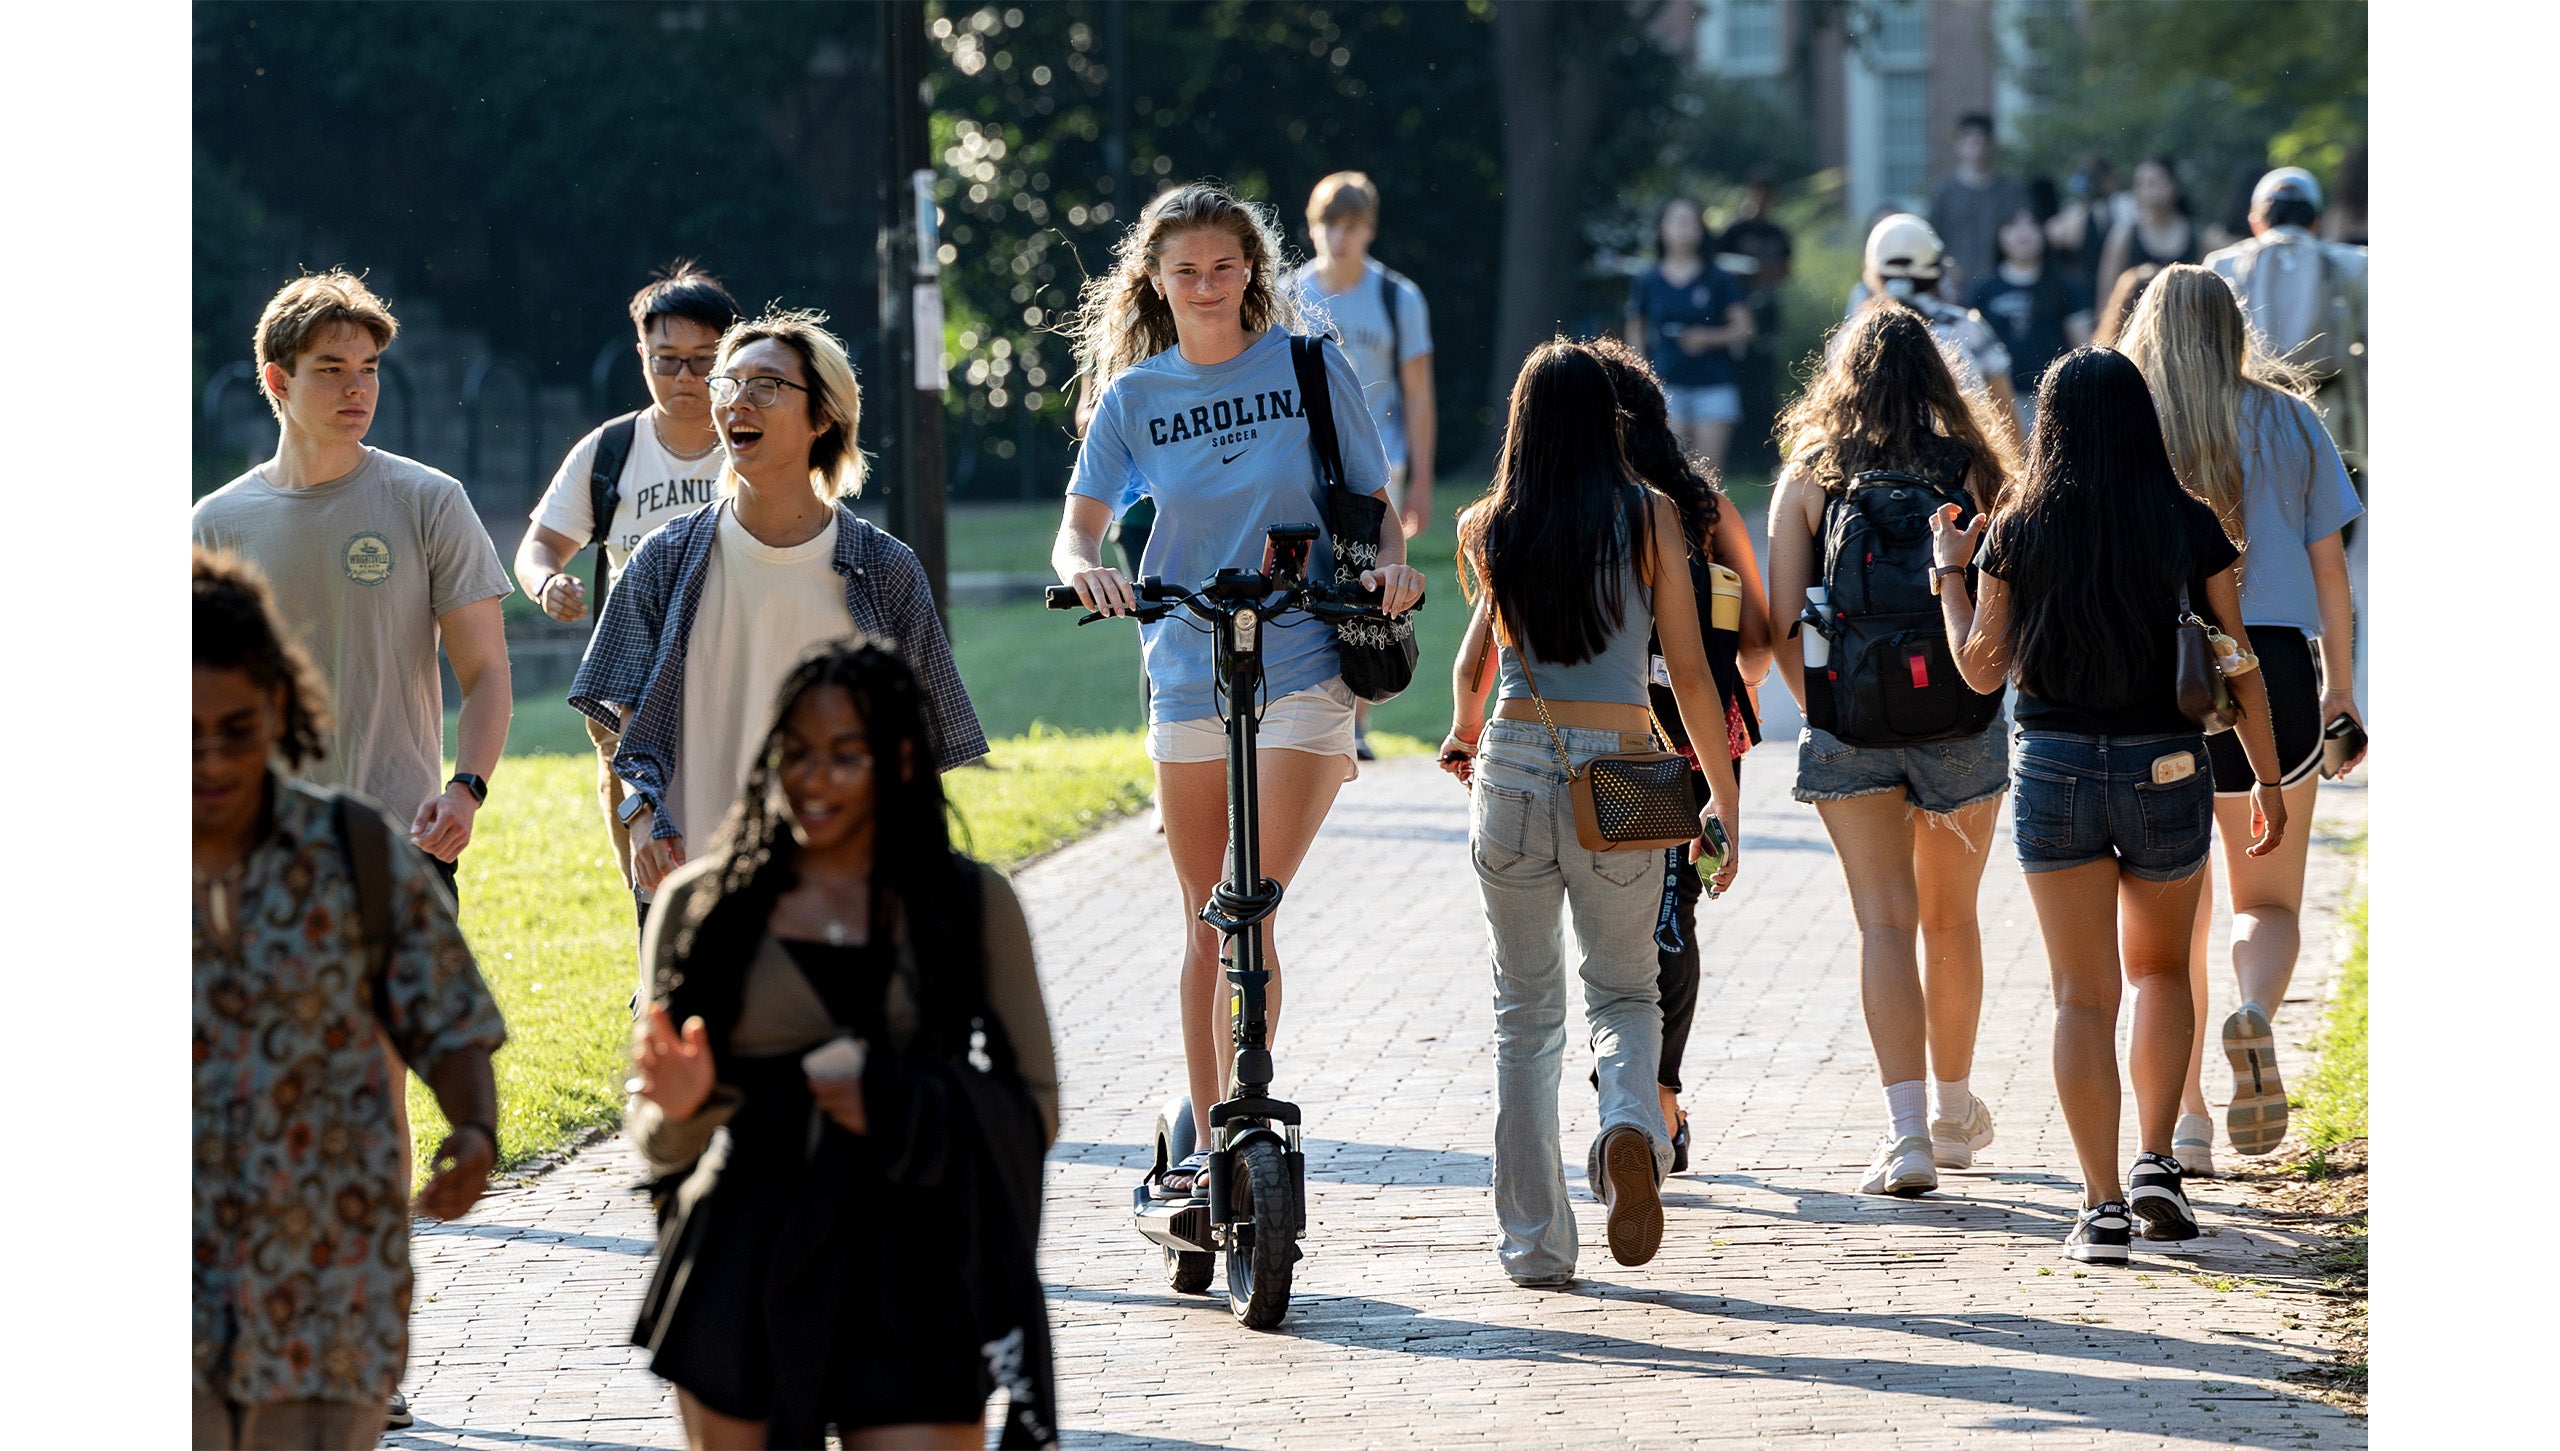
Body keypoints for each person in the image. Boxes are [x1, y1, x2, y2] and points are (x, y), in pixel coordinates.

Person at [1053, 180, 1425, 1194]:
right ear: (1156, 281)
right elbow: (1079, 521)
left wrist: (1392, 570)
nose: (1208, 285)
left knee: (1246, 904)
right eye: (1186, 271)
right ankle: (1211, 1122)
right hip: (1183, 657)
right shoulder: (1135, 397)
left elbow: (1374, 506)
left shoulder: (1308, 365)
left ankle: (1236, 1106)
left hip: (1304, 650)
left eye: (1224, 266)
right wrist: (1087, 564)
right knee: (1204, 913)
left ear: (1252, 269)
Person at [626, 641, 1059, 1451]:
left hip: (915, 1250)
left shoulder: (970, 902)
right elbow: (652, 1138)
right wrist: (687, 1105)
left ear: (900, 760)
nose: (812, 778)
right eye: (797, 753)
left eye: (844, 756)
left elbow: (1035, 1108)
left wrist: (898, 1101)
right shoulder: (702, 903)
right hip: (742, 1245)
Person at [1931, 346, 2291, 1264]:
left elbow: (1978, 670)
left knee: (2080, 994)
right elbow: (2236, 657)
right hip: (2167, 766)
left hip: (2052, 767)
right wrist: (2266, 777)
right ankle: (2157, 1165)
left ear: (2049, 425)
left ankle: (2098, 1210)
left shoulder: (2020, 523)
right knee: (2162, 972)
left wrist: (1951, 574)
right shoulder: (2185, 519)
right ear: (2142, 420)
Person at [1441, 340, 1742, 1283]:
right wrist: (1718, 803)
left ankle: (1534, 1242)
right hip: (1620, 768)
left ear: (1520, 425)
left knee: (1523, 1012)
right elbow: (1689, 674)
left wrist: (1460, 734)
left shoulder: (1490, 525)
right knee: (1625, 989)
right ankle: (1627, 1129)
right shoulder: (1652, 515)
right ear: (1608, 424)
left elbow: (1470, 669)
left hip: (1515, 763)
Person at [194, 547, 506, 1450]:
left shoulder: (350, 851)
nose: (210, 758)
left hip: (329, 1289)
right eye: (187, 731)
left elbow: (445, 1009)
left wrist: (475, 1132)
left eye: (235, 728)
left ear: (281, 710)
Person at [570, 307, 988, 931]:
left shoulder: (885, 568)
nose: (738, 402)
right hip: (697, 887)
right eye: (728, 384)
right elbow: (626, 728)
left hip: (845, 894)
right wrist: (641, 821)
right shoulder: (664, 559)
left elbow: (925, 739)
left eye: (766, 387)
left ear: (823, 416)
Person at [1767, 302, 2020, 1198]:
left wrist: (1830, 709)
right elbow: (2005, 605)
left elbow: (1780, 618)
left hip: (1850, 726)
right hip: (1960, 718)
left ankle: (1906, 1133)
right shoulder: (1978, 470)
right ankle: (1954, 1109)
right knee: (1952, 919)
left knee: (1884, 922)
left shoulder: (1811, 475)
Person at [2118, 265, 2368, 1173]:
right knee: (2267, 901)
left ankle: (2184, 1123)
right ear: (2236, 328)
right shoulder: (2294, 419)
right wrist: (2342, 688)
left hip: (2163, 671)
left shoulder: (2131, 421)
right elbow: (2333, 573)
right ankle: (2254, 1013)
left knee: (2170, 912)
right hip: (2276, 670)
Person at [192, 269, 515, 903]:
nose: (357, 388)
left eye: (368, 369)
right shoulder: (213, 523)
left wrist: (465, 790)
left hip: (402, 839)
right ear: (278, 380)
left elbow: (486, 672)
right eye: (332, 368)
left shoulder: (431, 501)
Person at [1582, 336, 1772, 1174]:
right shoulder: (1700, 508)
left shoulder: (1567, 506)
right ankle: (1656, 1098)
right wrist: (1725, 700)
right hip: (1687, 744)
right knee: (1670, 915)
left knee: (1601, 912)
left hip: (1591, 737)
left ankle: (1627, 1086)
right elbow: (1759, 639)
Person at [518, 263, 739, 890]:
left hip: (733, 671)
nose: (686, 378)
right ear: (641, 354)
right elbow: (540, 545)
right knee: (648, 868)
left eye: (704, 360)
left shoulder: (754, 443)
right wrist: (545, 583)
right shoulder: (609, 450)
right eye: (667, 360)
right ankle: (656, 971)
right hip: (628, 693)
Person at [1290, 170, 1438, 761]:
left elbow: (1419, 393)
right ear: (1312, 226)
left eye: (1350, 226)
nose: (1339, 237)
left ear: (1369, 229)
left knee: (1373, 581)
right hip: (1307, 462)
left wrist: (1421, 481)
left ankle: (1359, 721)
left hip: (1379, 461)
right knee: (1315, 577)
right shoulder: (1290, 292)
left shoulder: (1397, 297)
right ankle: (1312, 706)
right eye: (1329, 224)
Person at [2205, 167, 2368, 480]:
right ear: (2316, 220)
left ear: (2256, 221)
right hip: (2331, 421)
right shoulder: (2356, 263)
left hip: (2249, 424)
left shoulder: (2222, 264)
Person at [1844, 213, 2019, 426]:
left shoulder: (1851, 338)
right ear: (1937, 269)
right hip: (1968, 456)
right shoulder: (1967, 328)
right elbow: (2007, 418)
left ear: (1872, 272)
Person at [1625, 197, 1756, 475]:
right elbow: (1635, 327)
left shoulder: (1718, 278)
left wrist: (1706, 337)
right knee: (1669, 473)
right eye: (1676, 220)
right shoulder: (1647, 279)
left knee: (1708, 476)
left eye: (1690, 221)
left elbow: (1745, 329)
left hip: (1714, 385)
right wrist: (1641, 370)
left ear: (1701, 229)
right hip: (1666, 385)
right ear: (1661, 229)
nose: (1683, 228)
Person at [1969, 191, 2094, 429]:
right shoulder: (1983, 290)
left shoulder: (2065, 286)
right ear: (2000, 235)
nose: (2023, 232)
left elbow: (2083, 347)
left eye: (2031, 224)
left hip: (2056, 401)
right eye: (2013, 225)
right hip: (1997, 402)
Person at [1718, 169, 1797, 475]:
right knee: (1738, 383)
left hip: (1767, 318)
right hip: (1738, 314)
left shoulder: (1778, 234)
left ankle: (1764, 457)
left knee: (1765, 387)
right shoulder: (1735, 232)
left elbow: (1787, 270)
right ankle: (1738, 457)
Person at [1927, 112, 2030, 303]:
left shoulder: (2012, 190)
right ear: (1958, 145)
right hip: (1957, 288)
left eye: (1982, 140)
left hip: (2001, 285)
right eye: (1969, 140)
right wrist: (1947, 269)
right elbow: (1931, 238)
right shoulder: (1944, 192)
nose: (1977, 147)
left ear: (1991, 144)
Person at [2094, 156, 2200, 323]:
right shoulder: (2123, 238)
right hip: (2136, 333)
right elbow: (2107, 300)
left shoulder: (2197, 237)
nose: (2145, 190)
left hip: (2186, 329)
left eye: (2153, 182)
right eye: (2140, 184)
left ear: (2173, 186)